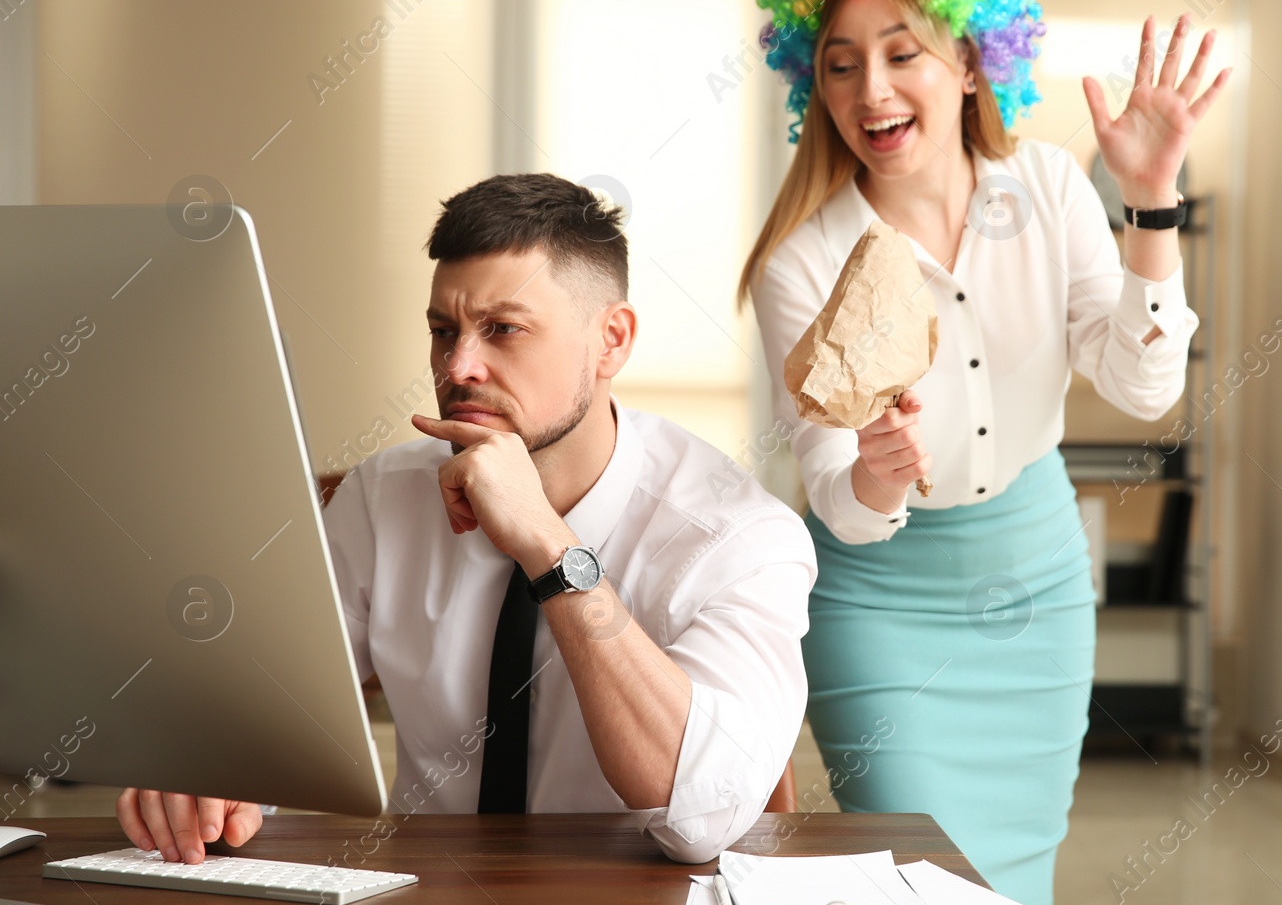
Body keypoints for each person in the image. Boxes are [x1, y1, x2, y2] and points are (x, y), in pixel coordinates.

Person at [741, 0, 1227, 905]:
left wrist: (1148, 205)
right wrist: (873, 466)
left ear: (968, 62)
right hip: (879, 601)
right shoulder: (804, 261)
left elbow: (1143, 388)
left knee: (1015, 893)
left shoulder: (1049, 190)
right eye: (839, 62)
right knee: (925, 890)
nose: (869, 87)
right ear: (813, 84)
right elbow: (834, 491)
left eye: (901, 50)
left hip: (1035, 590)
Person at [116, 173, 817, 865]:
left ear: (612, 339)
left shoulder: (739, 535)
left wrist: (546, 542)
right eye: (443, 330)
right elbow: (266, 713)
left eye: (502, 329)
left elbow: (697, 816)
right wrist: (207, 773)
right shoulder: (383, 497)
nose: (459, 366)